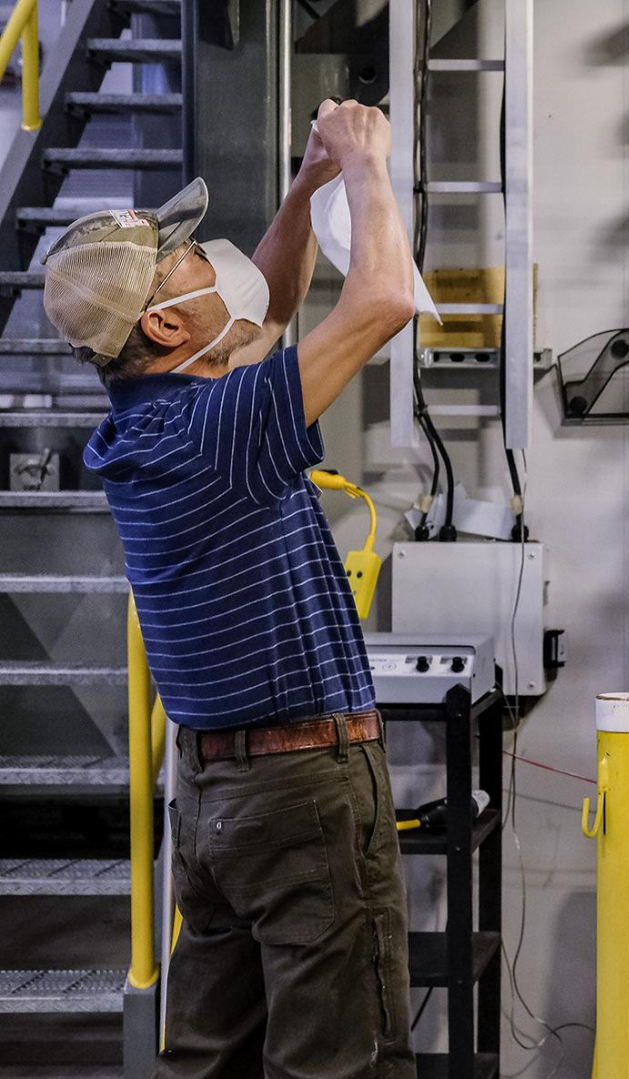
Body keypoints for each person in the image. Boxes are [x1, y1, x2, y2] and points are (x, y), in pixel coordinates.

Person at [41, 100, 416, 1077]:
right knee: (344, 1063)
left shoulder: (143, 425)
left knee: (208, 1059)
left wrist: (306, 186)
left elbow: (275, 306)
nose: (214, 257)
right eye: (189, 257)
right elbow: (379, 301)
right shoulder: (220, 428)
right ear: (167, 320)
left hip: (214, 796)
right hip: (300, 795)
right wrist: (371, 164)